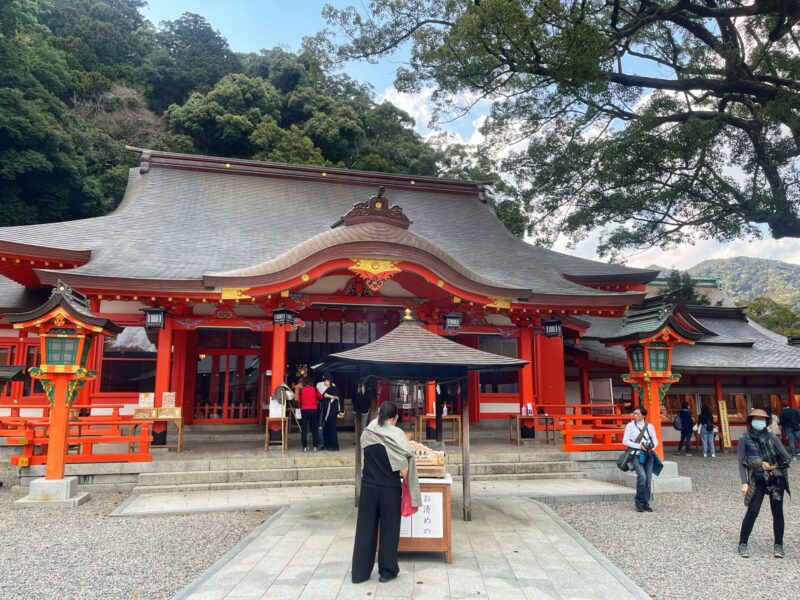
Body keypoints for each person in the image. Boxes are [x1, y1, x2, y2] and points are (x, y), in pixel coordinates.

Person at [352, 401, 421, 584]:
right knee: (389, 531)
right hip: (389, 489)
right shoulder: (397, 435)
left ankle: (360, 572)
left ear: (380, 414)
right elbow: (405, 471)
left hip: (368, 487)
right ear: (395, 417)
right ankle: (387, 571)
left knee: (365, 530)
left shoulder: (367, 432)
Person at [738, 407, 791, 558]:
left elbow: (786, 458)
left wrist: (773, 466)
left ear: (766, 421)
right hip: (758, 479)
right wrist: (744, 482)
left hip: (775, 478)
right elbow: (741, 462)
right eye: (756, 419)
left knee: (777, 512)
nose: (759, 422)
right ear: (751, 421)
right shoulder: (745, 438)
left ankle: (778, 545)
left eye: (762, 420)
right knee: (753, 511)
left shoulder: (772, 437)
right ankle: (743, 543)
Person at [623, 405, 659, 512]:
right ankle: (638, 501)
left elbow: (655, 439)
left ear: (643, 416)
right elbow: (625, 441)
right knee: (642, 477)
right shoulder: (630, 426)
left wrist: (652, 447)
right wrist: (639, 446)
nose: (634, 415)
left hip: (648, 455)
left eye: (637, 414)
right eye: (634, 413)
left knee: (648, 479)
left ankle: (646, 502)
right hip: (636, 454)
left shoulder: (650, 426)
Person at [297, 377, 321, 452]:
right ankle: (315, 447)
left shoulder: (301, 390)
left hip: (304, 410)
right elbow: (321, 397)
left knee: (304, 430)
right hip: (313, 410)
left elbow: (299, 401)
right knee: (314, 429)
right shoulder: (315, 389)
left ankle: (304, 447)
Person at [319, 374, 342, 451]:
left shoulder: (333, 388)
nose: (324, 382)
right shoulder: (328, 389)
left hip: (331, 412)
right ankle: (327, 445)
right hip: (327, 412)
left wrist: (328, 396)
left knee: (331, 428)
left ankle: (334, 446)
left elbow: (337, 398)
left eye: (325, 380)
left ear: (329, 381)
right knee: (327, 428)